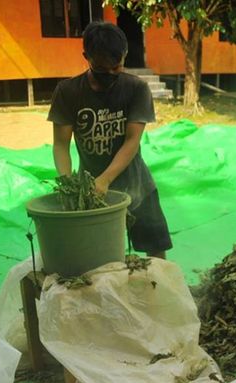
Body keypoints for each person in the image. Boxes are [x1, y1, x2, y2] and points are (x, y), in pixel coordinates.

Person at [48, 21, 171, 259]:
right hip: (92, 191)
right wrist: (67, 182)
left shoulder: (136, 88)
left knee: (155, 250)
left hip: (137, 185)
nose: (113, 74)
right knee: (100, 255)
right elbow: (61, 145)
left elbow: (132, 141)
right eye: (104, 69)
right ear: (87, 57)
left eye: (118, 66)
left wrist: (105, 179)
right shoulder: (68, 91)